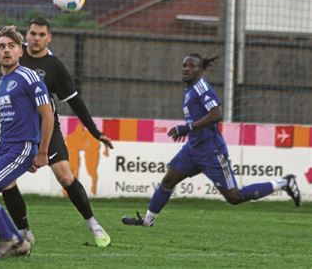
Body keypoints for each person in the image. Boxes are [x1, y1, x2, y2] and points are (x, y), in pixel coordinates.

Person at [0, 17, 113, 247]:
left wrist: (93, 131)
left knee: (64, 175)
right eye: (33, 33)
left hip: (47, 127)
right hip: (20, 130)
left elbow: (74, 101)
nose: (36, 38)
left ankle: (93, 224)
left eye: (42, 35)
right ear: (27, 35)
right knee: (7, 181)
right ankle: (24, 232)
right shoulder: (10, 50)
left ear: (49, 38)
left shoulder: (54, 66)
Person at [121, 53, 301, 227]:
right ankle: (147, 221)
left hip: (211, 151)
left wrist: (187, 128)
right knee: (168, 180)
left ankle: (284, 183)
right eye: (184, 65)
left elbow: (216, 114)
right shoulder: (189, 90)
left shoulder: (202, 88)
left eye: (191, 66)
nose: (186, 69)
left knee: (234, 197)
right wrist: (189, 131)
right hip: (192, 149)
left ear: (200, 70)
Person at [0, 26, 54, 259]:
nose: (6, 51)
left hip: (21, 147)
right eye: (1, 47)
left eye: (11, 46)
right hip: (6, 147)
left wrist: (41, 152)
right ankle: (19, 242)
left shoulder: (28, 76)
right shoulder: (3, 81)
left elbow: (47, 114)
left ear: (20, 52)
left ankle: (8, 238)